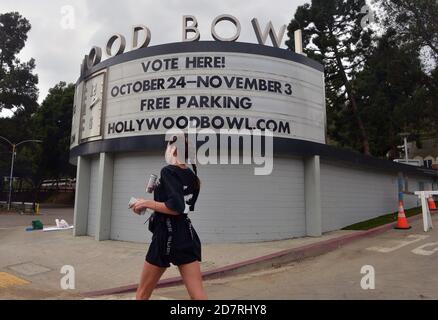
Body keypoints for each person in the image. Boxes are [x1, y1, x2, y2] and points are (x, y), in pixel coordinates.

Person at [129, 135, 207, 300]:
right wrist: (147, 205)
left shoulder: (168, 171)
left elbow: (175, 208)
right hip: (185, 234)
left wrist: (146, 203)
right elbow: (181, 209)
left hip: (165, 236)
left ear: (172, 149)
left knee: (142, 294)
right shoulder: (193, 177)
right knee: (198, 296)